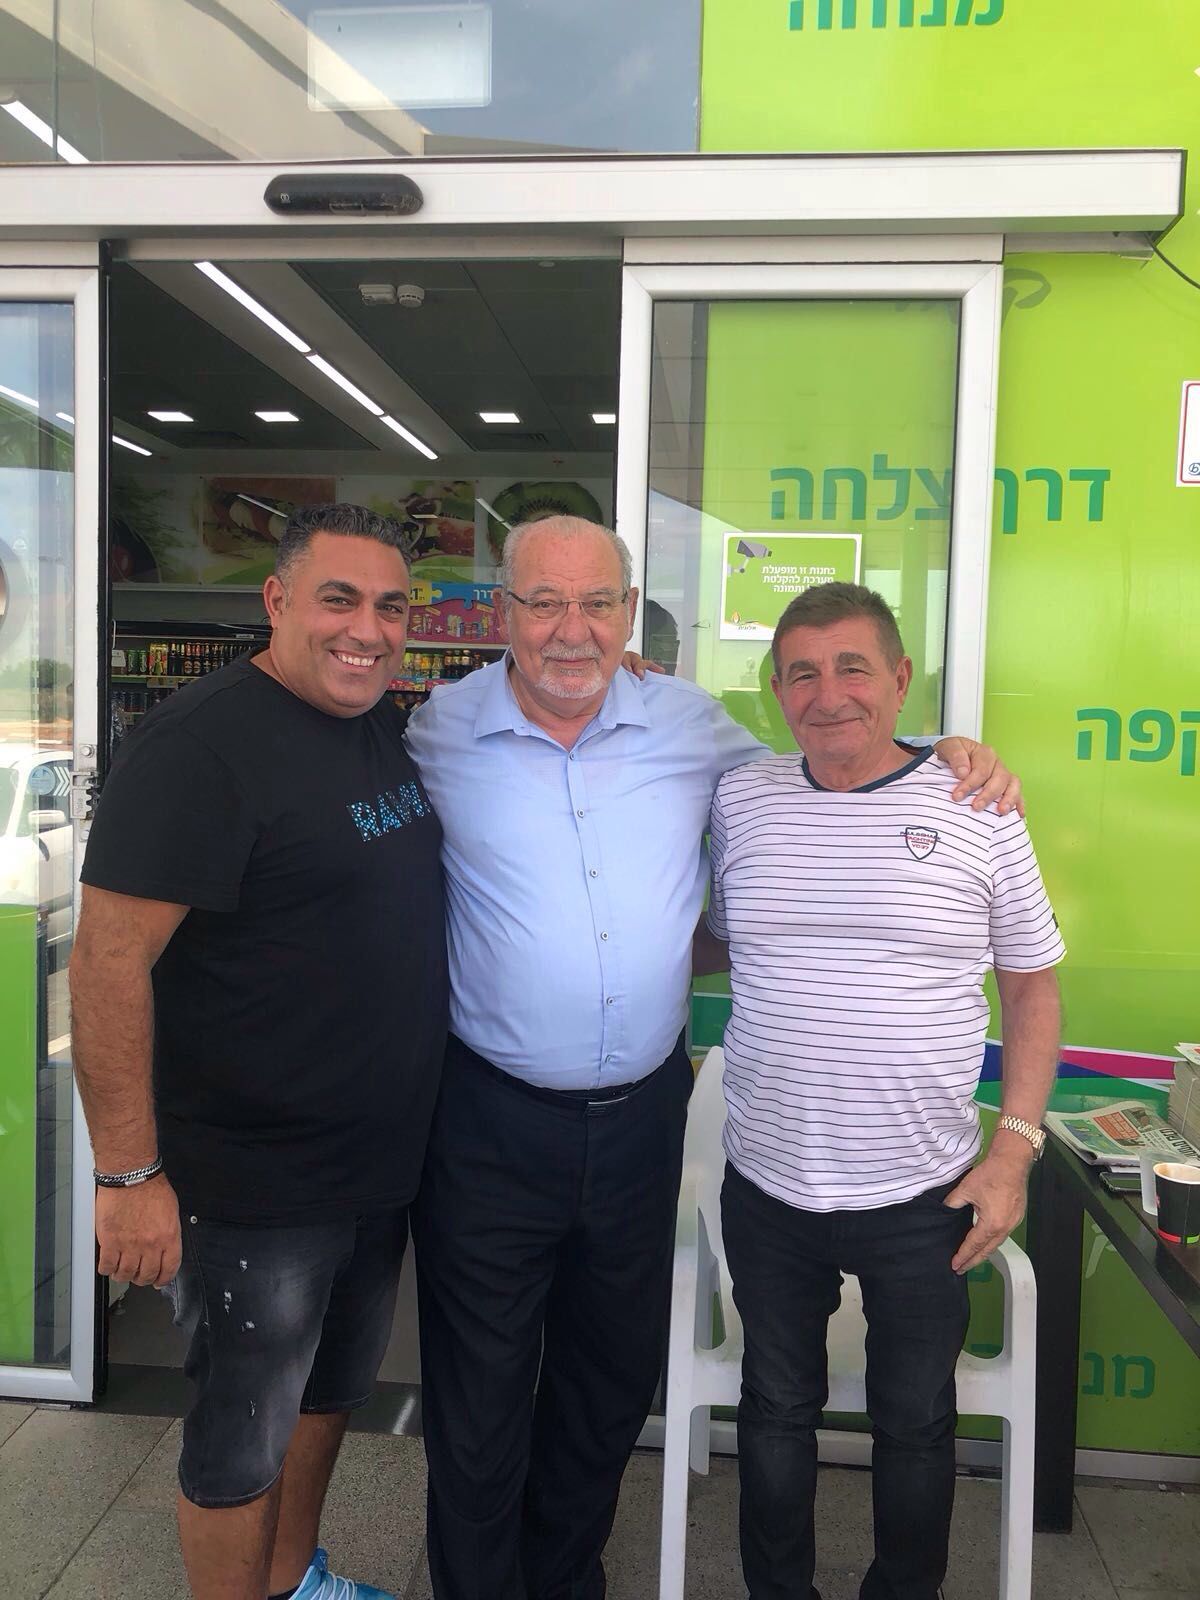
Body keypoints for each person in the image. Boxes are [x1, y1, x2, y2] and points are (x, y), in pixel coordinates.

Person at [403, 517, 1022, 1600]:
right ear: (504, 614)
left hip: (640, 1118)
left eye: (597, 604)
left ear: (628, 615)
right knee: (480, 1391)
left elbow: (837, 758)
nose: (571, 629)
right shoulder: (435, 730)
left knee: (605, 1383)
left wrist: (951, 753)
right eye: (544, 603)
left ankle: (567, 1580)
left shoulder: (694, 729)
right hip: (491, 1118)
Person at [69, 504, 448, 1600]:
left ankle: (292, 1582)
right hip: (251, 1182)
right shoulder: (199, 747)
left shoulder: (378, 722)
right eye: (339, 598)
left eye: (390, 606)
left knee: (328, 1396)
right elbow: (106, 964)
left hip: (372, 1167)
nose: (367, 629)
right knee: (241, 1435)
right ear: (276, 601)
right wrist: (127, 1174)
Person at [700, 581, 1064, 1600]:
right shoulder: (743, 798)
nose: (829, 695)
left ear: (901, 678)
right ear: (776, 690)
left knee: (914, 1424)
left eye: (853, 667)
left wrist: (1014, 1150)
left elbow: (1033, 990)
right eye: (802, 673)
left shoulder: (978, 806)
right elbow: (718, 936)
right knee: (775, 1411)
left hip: (924, 1192)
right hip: (767, 1184)